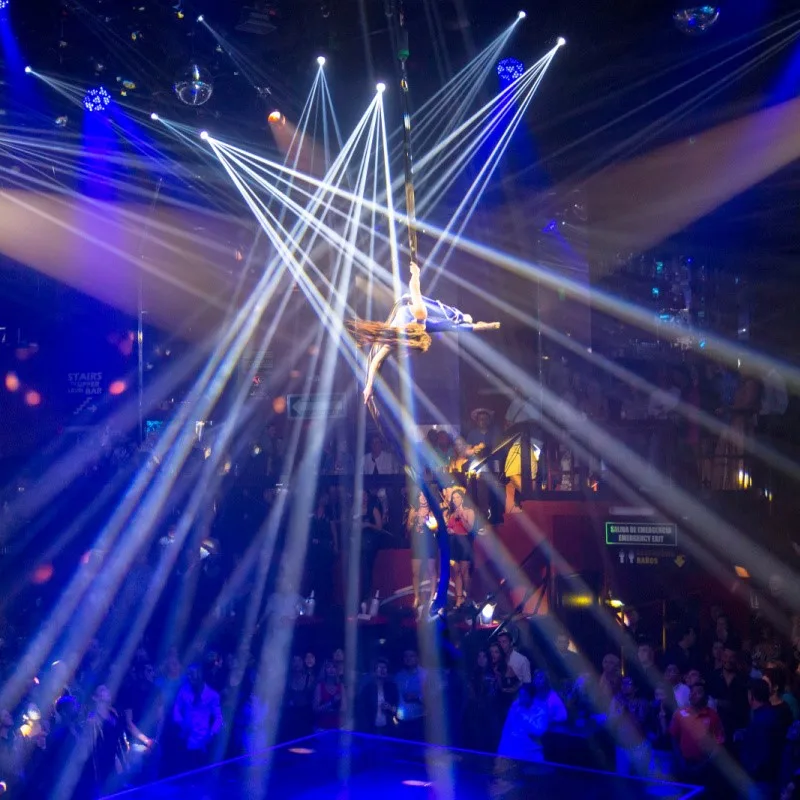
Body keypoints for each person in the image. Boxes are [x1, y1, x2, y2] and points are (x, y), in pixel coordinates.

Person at [349, 261, 500, 409]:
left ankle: (369, 389)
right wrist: (416, 273)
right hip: (407, 306)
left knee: (458, 325)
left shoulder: (399, 336)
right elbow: (414, 288)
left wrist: (369, 386)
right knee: (454, 323)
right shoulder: (421, 315)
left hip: (414, 322)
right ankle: (369, 389)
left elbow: (376, 360)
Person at [497, 672, 567, 763]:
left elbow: (538, 731)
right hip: (510, 751)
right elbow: (509, 730)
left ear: (531, 697)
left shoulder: (541, 710)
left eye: (524, 696)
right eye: (520, 695)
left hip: (530, 755)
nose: (521, 699)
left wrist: (524, 717)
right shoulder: (515, 706)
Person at [669, 681, 725, 786]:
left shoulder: (713, 716)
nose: (693, 695)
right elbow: (673, 737)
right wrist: (680, 760)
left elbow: (719, 743)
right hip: (684, 764)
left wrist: (705, 765)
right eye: (692, 692)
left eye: (698, 692)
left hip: (705, 766)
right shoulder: (680, 713)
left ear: (706, 697)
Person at [173, 664, 223, 772]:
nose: (190, 677)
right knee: (183, 773)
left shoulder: (212, 695)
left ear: (200, 675)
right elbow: (176, 709)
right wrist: (181, 723)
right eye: (188, 675)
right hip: (185, 738)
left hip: (202, 741)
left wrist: (212, 733)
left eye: (193, 674)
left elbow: (218, 718)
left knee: (199, 773)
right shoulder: (183, 691)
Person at [737, 678, 783, 796]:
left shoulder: (761, 721)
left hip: (759, 783)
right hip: (768, 780)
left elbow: (762, 757)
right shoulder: (771, 714)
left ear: (751, 696)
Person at [407, 491, 437, 612]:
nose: (423, 498)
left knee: (431, 571)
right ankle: (417, 597)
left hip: (429, 543)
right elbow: (408, 529)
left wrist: (427, 521)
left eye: (425, 495)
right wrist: (413, 519)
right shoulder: (413, 510)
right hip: (417, 543)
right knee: (415, 572)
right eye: (421, 495)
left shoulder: (432, 510)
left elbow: (436, 528)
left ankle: (432, 597)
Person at [446, 489, 475, 608]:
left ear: (462, 498)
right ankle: (459, 598)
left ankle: (467, 596)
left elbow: (470, 529)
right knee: (456, 571)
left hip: (464, 543)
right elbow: (448, 528)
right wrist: (449, 530)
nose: (455, 500)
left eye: (457, 497)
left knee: (464, 572)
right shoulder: (451, 514)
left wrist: (462, 517)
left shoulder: (469, 511)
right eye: (453, 498)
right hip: (453, 543)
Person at [355, 658, 399, 736]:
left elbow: (398, 708)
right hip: (370, 729)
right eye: (379, 667)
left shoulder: (392, 688)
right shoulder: (367, 689)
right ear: (374, 671)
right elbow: (361, 709)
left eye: (384, 668)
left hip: (388, 728)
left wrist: (390, 708)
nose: (382, 670)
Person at [395, 649, 426, 741]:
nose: (408, 659)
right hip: (402, 720)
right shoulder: (399, 676)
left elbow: (432, 697)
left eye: (411, 656)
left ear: (417, 658)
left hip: (420, 719)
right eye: (406, 656)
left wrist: (417, 697)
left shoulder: (425, 675)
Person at [312, 660, 343, 731]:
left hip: (337, 727)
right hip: (321, 727)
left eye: (334, 667)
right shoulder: (319, 686)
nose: (331, 669)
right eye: (329, 667)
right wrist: (331, 702)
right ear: (324, 670)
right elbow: (315, 709)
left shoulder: (341, 686)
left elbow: (344, 709)